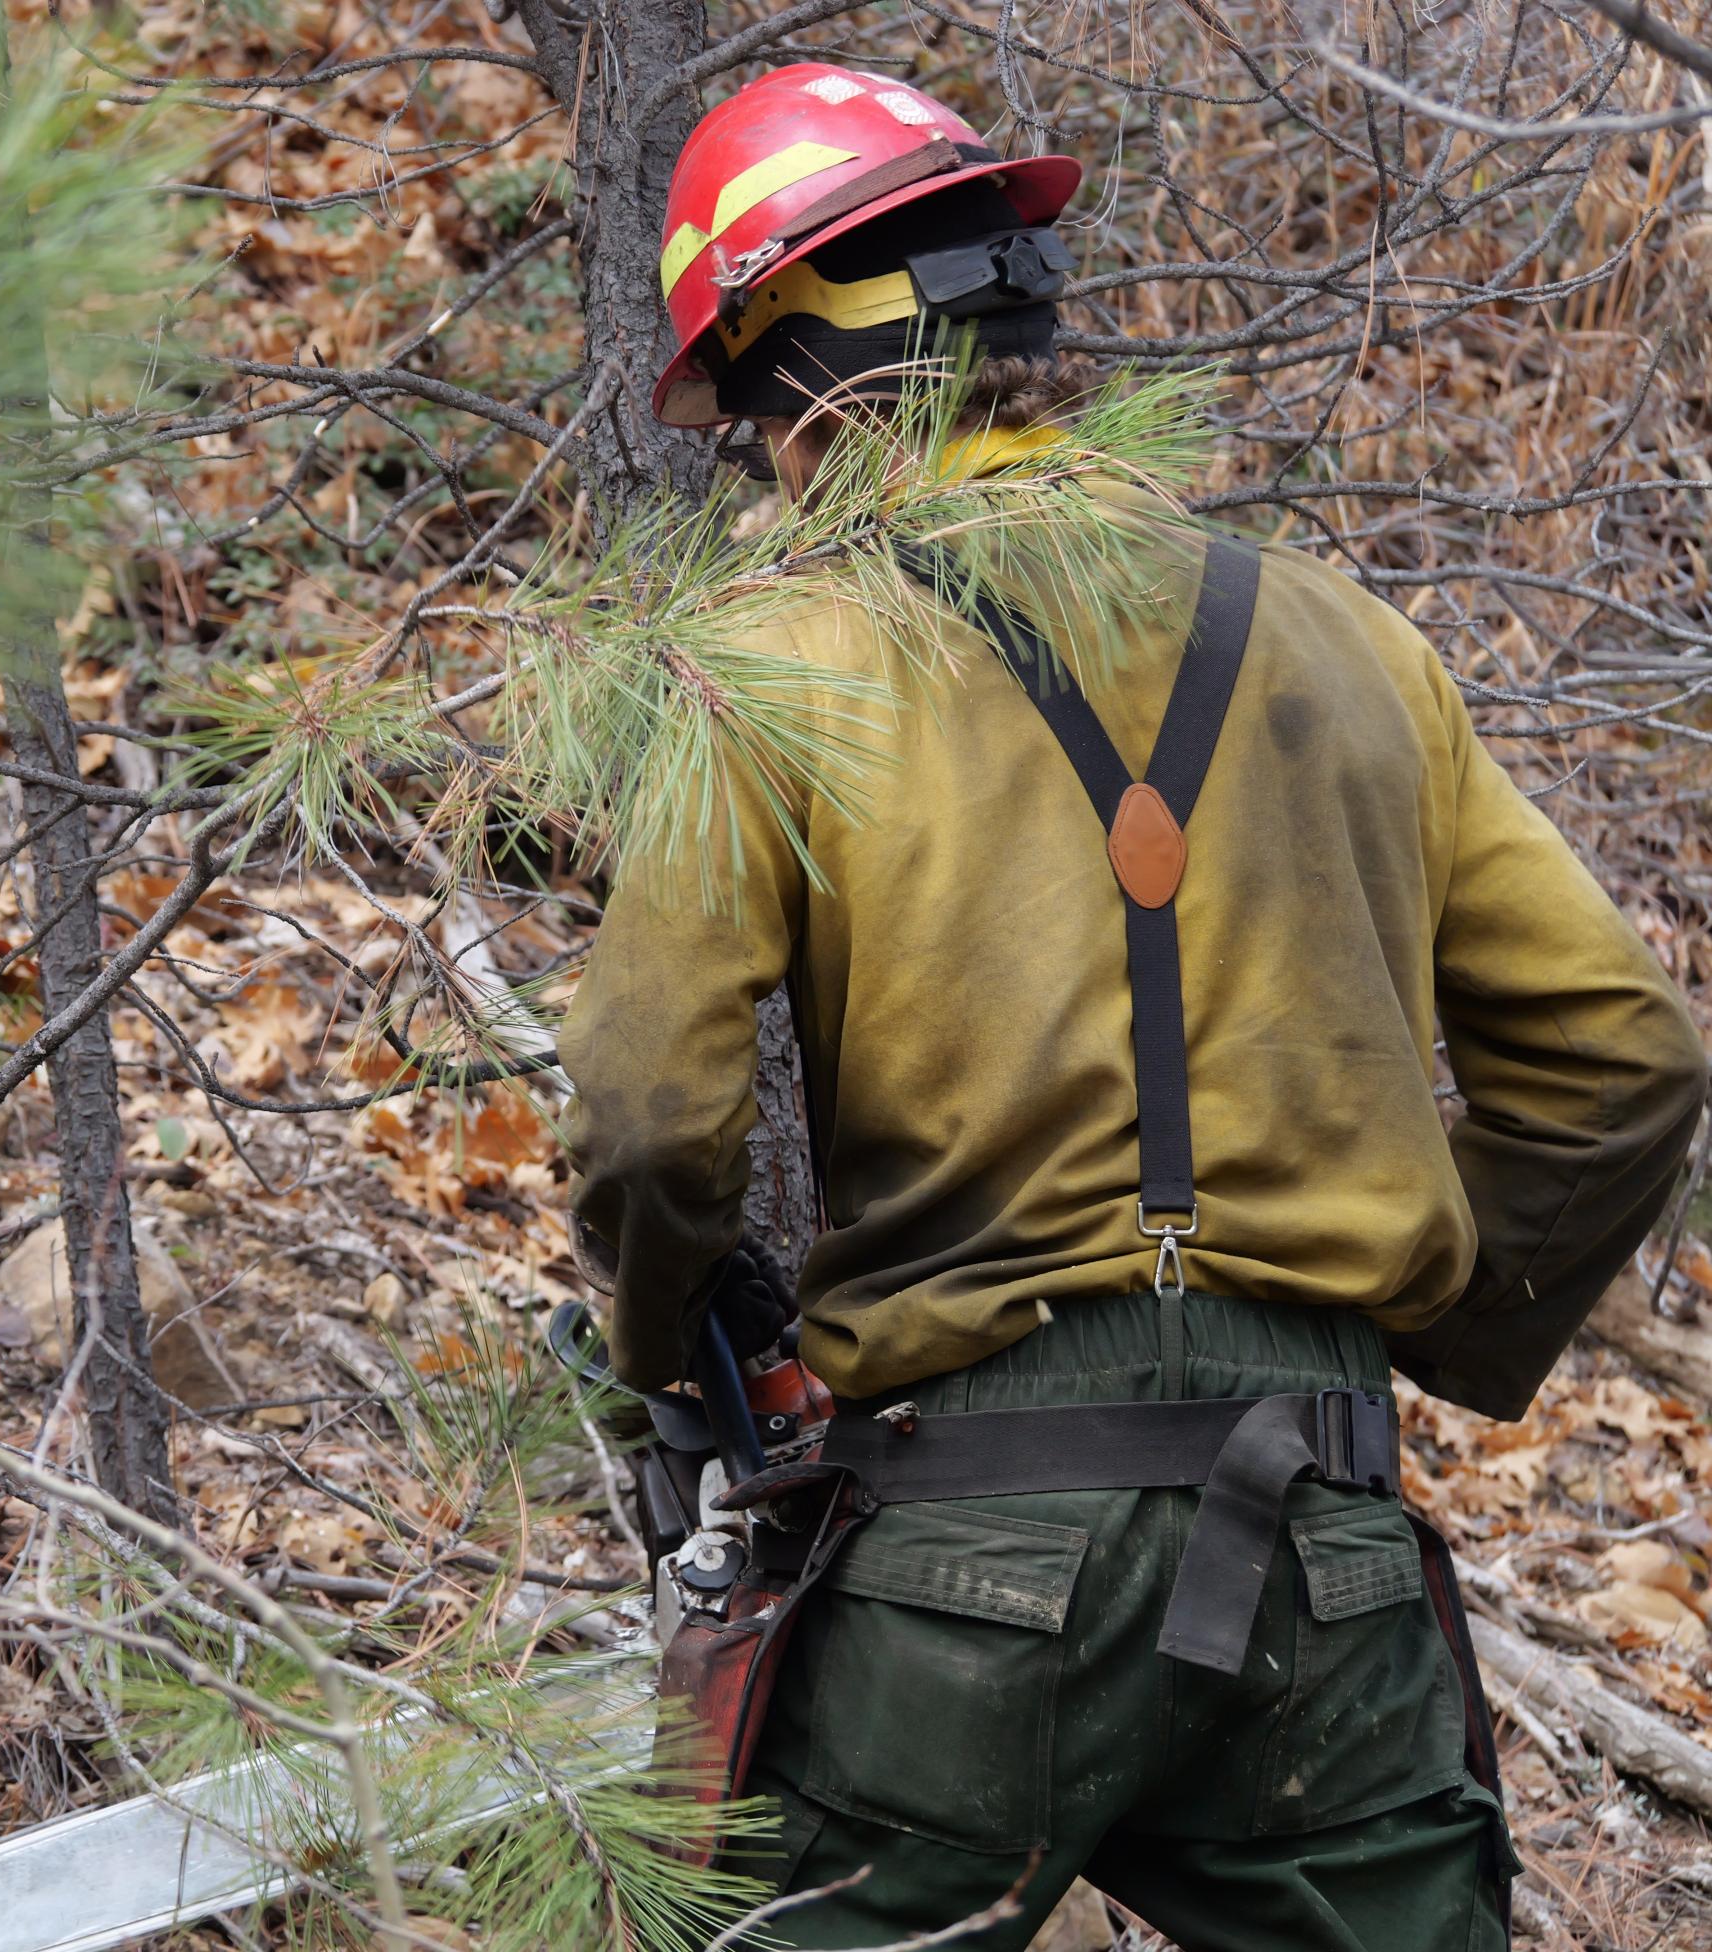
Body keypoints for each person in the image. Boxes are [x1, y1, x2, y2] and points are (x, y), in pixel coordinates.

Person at [560, 64, 1708, 1951]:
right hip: (1328, 1560)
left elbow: (646, 1118)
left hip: (969, 1561)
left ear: (811, 378)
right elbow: (1629, 1059)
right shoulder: (1353, 643)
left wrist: (668, 1358)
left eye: (754, 423)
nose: (761, 470)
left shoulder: (769, 664)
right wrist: (1405, 1320)